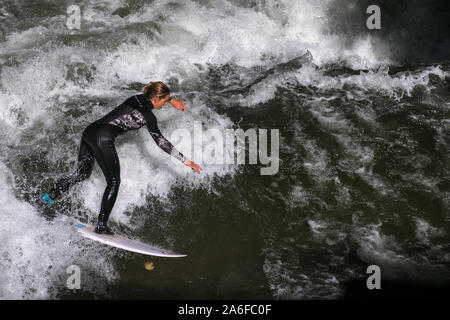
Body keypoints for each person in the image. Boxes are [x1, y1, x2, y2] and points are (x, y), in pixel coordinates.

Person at [39, 81, 202, 235]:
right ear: (155, 99)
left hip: (89, 133)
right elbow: (161, 142)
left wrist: (172, 100)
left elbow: (156, 93)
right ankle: (101, 226)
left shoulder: (137, 98)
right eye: (164, 101)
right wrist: (187, 162)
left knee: (81, 174)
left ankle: (46, 199)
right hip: (102, 138)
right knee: (114, 181)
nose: (164, 104)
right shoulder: (148, 116)